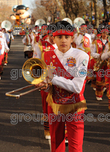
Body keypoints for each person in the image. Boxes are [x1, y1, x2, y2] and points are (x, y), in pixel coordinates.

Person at [36, 21, 88, 152]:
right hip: (55, 105)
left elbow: (77, 87)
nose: (63, 40)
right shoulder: (47, 55)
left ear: (72, 38)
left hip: (75, 106)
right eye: (59, 37)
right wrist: (45, 86)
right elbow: (50, 87)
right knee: (56, 143)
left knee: (76, 146)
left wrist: (52, 78)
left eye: (67, 37)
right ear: (53, 38)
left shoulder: (82, 56)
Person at [90, 28, 109, 100]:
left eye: (106, 33)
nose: (105, 35)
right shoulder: (96, 42)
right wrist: (99, 56)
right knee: (99, 77)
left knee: (107, 77)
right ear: (101, 34)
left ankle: (104, 89)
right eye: (103, 33)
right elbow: (92, 53)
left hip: (107, 62)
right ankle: (99, 94)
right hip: (99, 62)